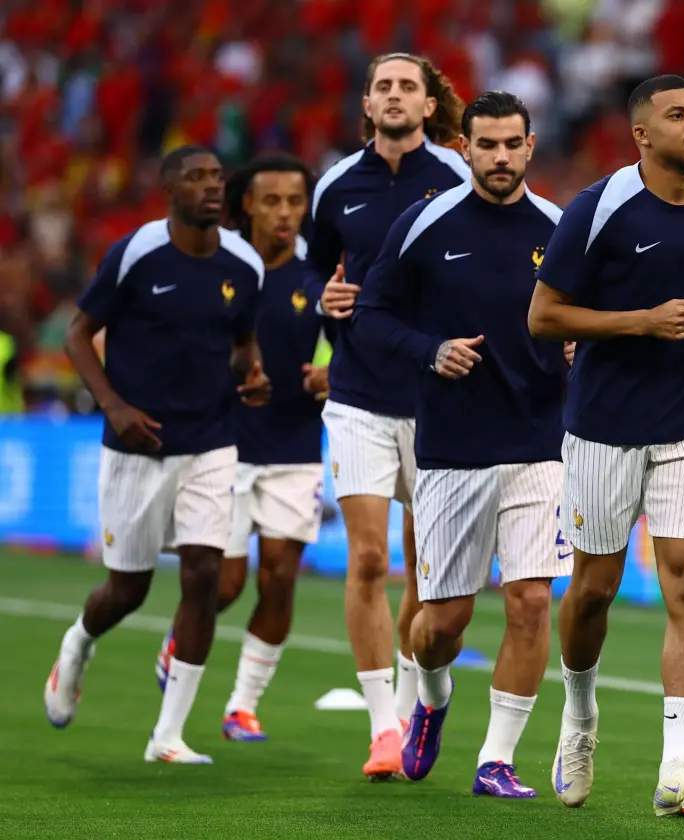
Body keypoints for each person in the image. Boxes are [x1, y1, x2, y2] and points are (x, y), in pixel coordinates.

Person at [528, 74, 684, 817]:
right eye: (679, 115)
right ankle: (580, 714)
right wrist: (640, 322)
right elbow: (544, 316)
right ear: (641, 134)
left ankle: (678, 771)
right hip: (603, 427)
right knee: (594, 589)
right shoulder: (598, 210)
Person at [353, 90, 572, 797]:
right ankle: (432, 698)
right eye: (488, 145)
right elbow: (373, 314)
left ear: (531, 147)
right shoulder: (426, 222)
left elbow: (585, 316)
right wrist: (431, 349)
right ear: (466, 149)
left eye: (514, 144)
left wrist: (578, 346)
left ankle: (496, 760)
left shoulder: (561, 228)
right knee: (437, 625)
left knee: (532, 601)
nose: (501, 157)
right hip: (451, 449)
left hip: (541, 442)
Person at [44, 146, 271, 764]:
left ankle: (167, 735)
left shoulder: (243, 262)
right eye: (196, 178)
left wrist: (252, 375)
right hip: (136, 445)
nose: (211, 187)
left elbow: (242, 343)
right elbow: (76, 334)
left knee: (204, 577)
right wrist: (113, 406)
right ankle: (78, 644)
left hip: (212, 440)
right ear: (168, 191)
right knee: (128, 591)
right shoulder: (136, 253)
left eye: (217, 178)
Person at [310, 52, 470, 779]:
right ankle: (381, 728)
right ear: (368, 105)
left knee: (427, 572)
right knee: (369, 557)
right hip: (358, 396)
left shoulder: (460, 179)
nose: (396, 96)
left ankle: (411, 709)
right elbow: (313, 267)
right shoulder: (337, 185)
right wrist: (323, 297)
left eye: (409, 86)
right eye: (383, 87)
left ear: (428, 104)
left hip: (436, 399)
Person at [154, 153, 331, 742]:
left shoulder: (321, 272)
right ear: (246, 204)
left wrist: (331, 373)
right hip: (223, 444)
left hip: (296, 443)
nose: (285, 213)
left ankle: (242, 705)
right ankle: (179, 643)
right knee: (222, 584)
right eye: (272, 200)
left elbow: (350, 341)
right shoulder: (217, 262)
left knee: (279, 577)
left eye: (295, 202)